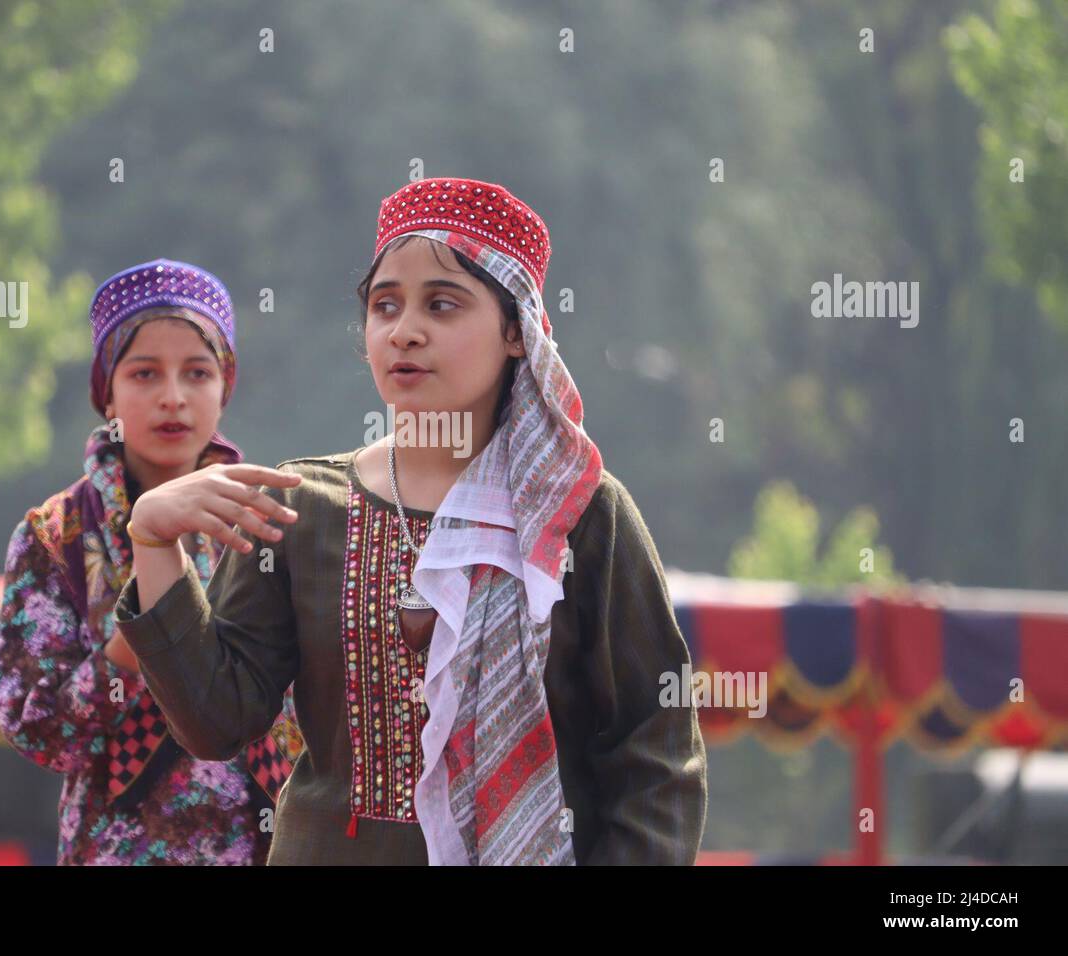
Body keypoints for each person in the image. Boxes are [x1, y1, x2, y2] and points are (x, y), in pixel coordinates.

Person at [114, 180, 708, 864]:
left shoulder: (579, 513)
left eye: (442, 304)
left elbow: (654, 746)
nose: (405, 330)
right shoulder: (301, 505)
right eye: (384, 305)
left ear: (519, 331)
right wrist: (154, 542)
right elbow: (218, 722)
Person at [0, 259, 300, 865]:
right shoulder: (54, 537)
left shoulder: (269, 520)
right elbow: (39, 730)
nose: (173, 397)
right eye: (143, 373)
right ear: (105, 390)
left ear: (225, 386)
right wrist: (144, 635)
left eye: (197, 373)